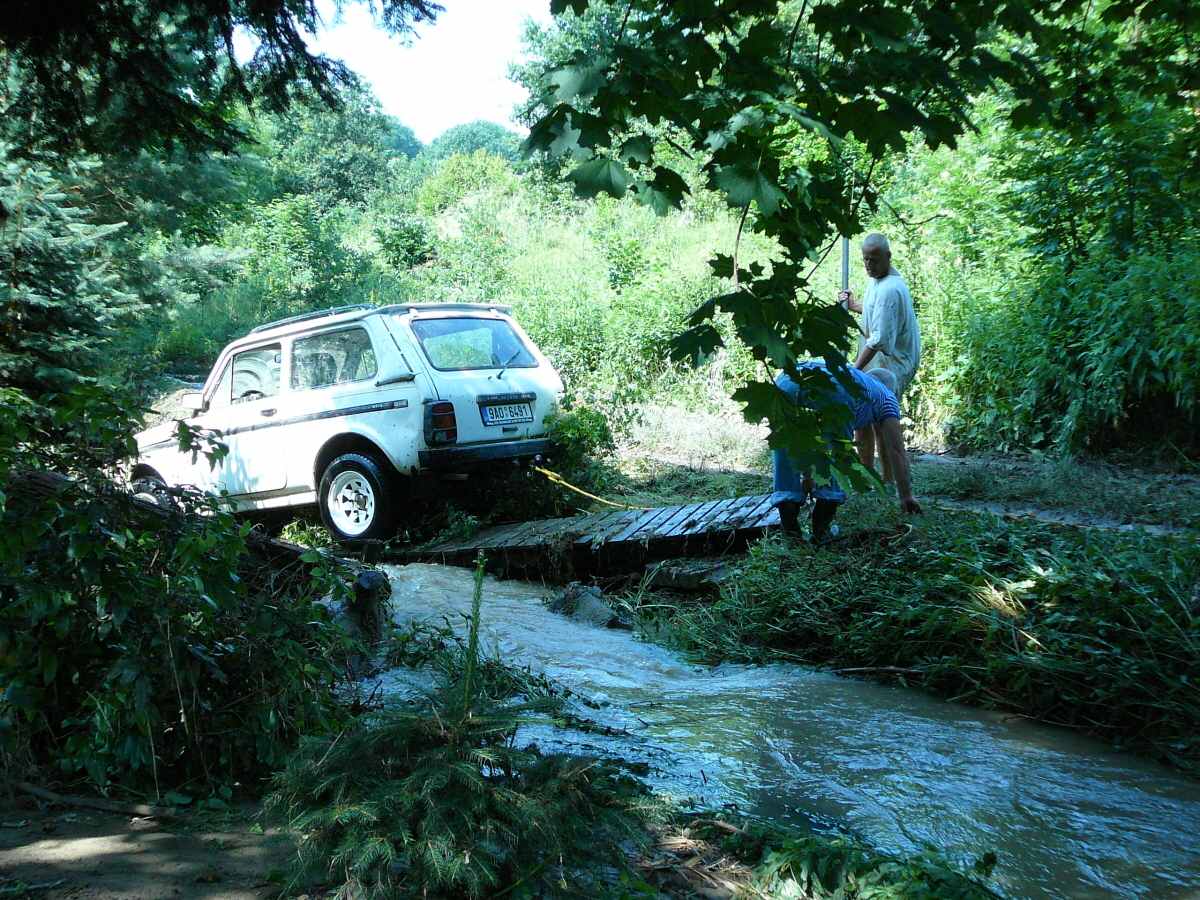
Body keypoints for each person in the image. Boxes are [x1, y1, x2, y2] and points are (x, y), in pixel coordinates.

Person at [772, 361, 921, 541]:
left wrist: (808, 476)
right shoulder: (887, 396)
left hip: (787, 379)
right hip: (835, 389)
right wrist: (906, 496)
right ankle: (821, 532)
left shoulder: (860, 381)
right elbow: (896, 450)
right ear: (893, 390)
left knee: (786, 450)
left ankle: (791, 534)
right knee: (836, 457)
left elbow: (809, 438)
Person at [840, 233, 921, 477]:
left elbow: (879, 339)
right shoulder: (878, 281)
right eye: (865, 259)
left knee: (882, 419)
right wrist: (855, 306)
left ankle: (887, 479)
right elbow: (878, 313)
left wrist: (854, 370)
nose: (869, 265)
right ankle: (867, 474)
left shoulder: (890, 289)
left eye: (874, 260)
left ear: (888, 257)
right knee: (864, 415)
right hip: (882, 360)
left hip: (892, 363)